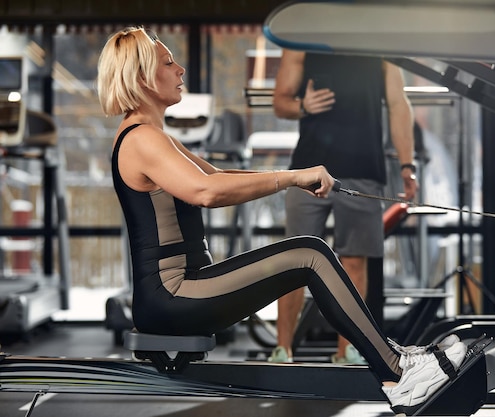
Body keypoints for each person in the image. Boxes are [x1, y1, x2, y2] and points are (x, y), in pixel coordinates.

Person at [96, 27, 466, 415]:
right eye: (168, 62)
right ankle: (397, 373)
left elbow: (221, 177)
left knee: (310, 253)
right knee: (310, 253)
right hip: (173, 295)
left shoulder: (154, 136)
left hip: (187, 288)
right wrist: (290, 178)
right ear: (141, 77)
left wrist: (297, 175)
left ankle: (394, 360)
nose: (181, 69)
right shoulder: (141, 138)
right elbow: (206, 192)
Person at [271, 49, 418, 363]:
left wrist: (407, 165)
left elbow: (398, 104)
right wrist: (303, 106)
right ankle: (282, 349)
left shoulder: (379, 43)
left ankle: (347, 351)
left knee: (354, 263)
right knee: (295, 262)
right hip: (307, 170)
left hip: (363, 169)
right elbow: (280, 101)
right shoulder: (302, 40)